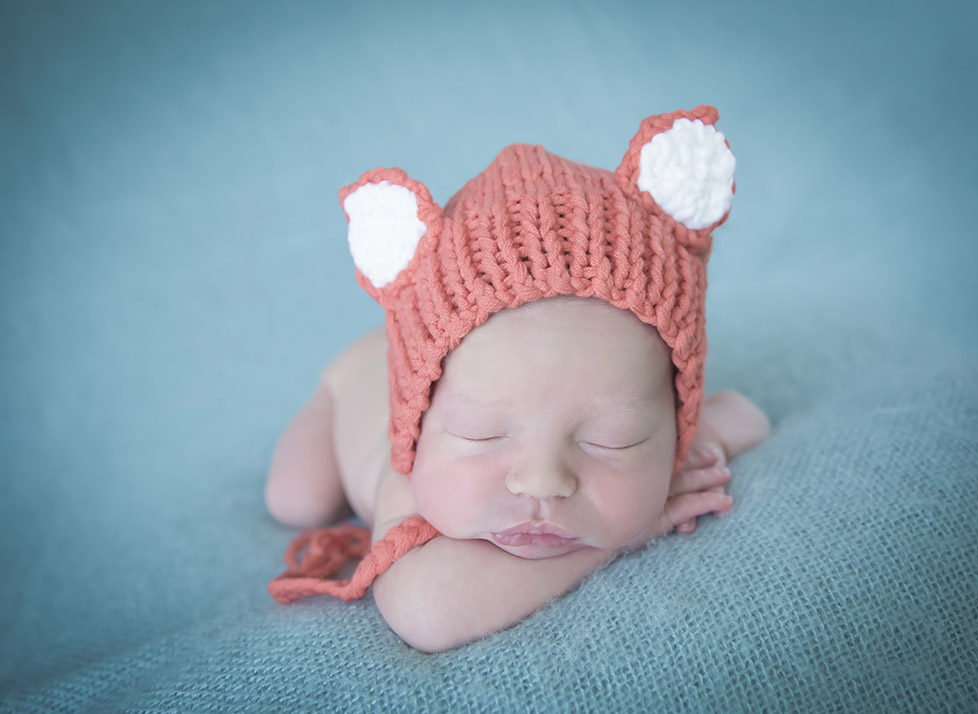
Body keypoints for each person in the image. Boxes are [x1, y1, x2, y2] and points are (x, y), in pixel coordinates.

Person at [265, 106, 771, 653]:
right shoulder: (408, 472)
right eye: (481, 433)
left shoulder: (670, 419)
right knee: (294, 499)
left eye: (614, 439)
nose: (541, 482)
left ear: (678, 419)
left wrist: (707, 438)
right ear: (420, 422)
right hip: (354, 380)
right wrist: (633, 529)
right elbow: (428, 609)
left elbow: (748, 416)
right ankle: (341, 385)